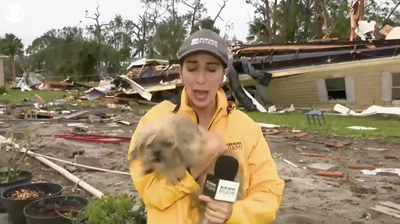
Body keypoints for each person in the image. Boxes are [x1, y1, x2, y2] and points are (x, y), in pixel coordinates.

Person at [128, 29, 284, 224]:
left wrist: (233, 213)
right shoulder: (154, 122)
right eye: (192, 69)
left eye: (211, 70)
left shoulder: (246, 129)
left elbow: (268, 193)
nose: (201, 79)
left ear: (223, 75)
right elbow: (151, 193)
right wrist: (197, 165)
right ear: (181, 73)